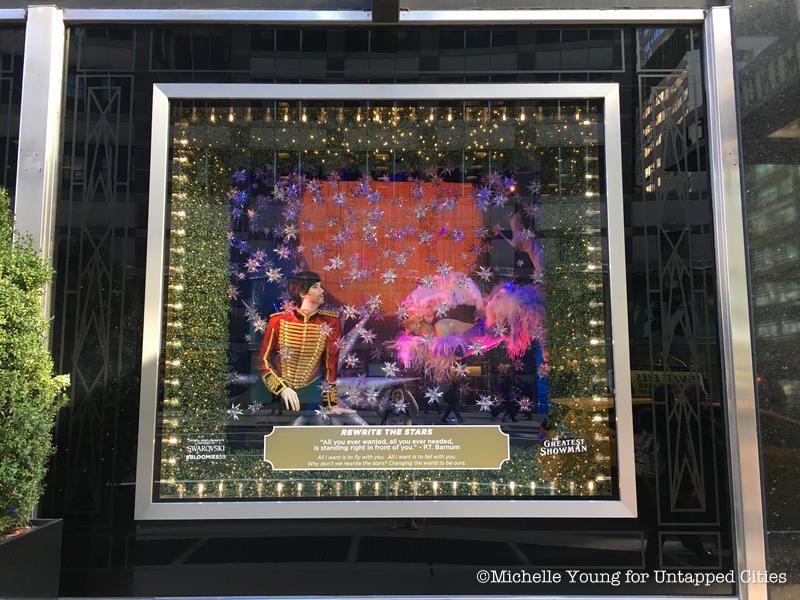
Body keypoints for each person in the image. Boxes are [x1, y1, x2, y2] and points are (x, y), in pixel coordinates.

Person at [259, 271, 343, 413]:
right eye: (315, 287)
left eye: (320, 286)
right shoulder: (278, 321)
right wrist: (281, 388)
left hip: (312, 392)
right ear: (302, 293)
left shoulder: (331, 322)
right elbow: (263, 361)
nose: (322, 291)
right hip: (278, 395)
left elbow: (330, 365)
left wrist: (331, 404)